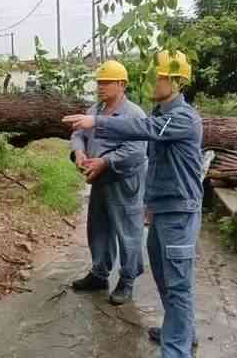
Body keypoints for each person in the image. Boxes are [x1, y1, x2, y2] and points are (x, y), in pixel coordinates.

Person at [63, 51, 203, 358]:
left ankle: (176, 351)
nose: (153, 81)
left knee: (177, 283)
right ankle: (181, 331)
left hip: (180, 212)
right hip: (164, 209)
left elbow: (144, 133)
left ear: (175, 81)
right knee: (166, 278)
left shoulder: (182, 118)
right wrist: (150, 203)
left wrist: (96, 123)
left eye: (159, 77)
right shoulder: (160, 114)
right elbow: (156, 163)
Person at [69, 60, 148, 306]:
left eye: (106, 82)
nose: (100, 87)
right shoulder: (95, 109)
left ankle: (127, 280)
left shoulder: (134, 114)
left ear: (122, 84)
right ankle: (99, 273)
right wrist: (79, 153)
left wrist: (104, 162)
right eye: (99, 82)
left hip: (123, 181)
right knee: (99, 227)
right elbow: (78, 134)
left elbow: (136, 150)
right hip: (99, 180)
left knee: (128, 232)